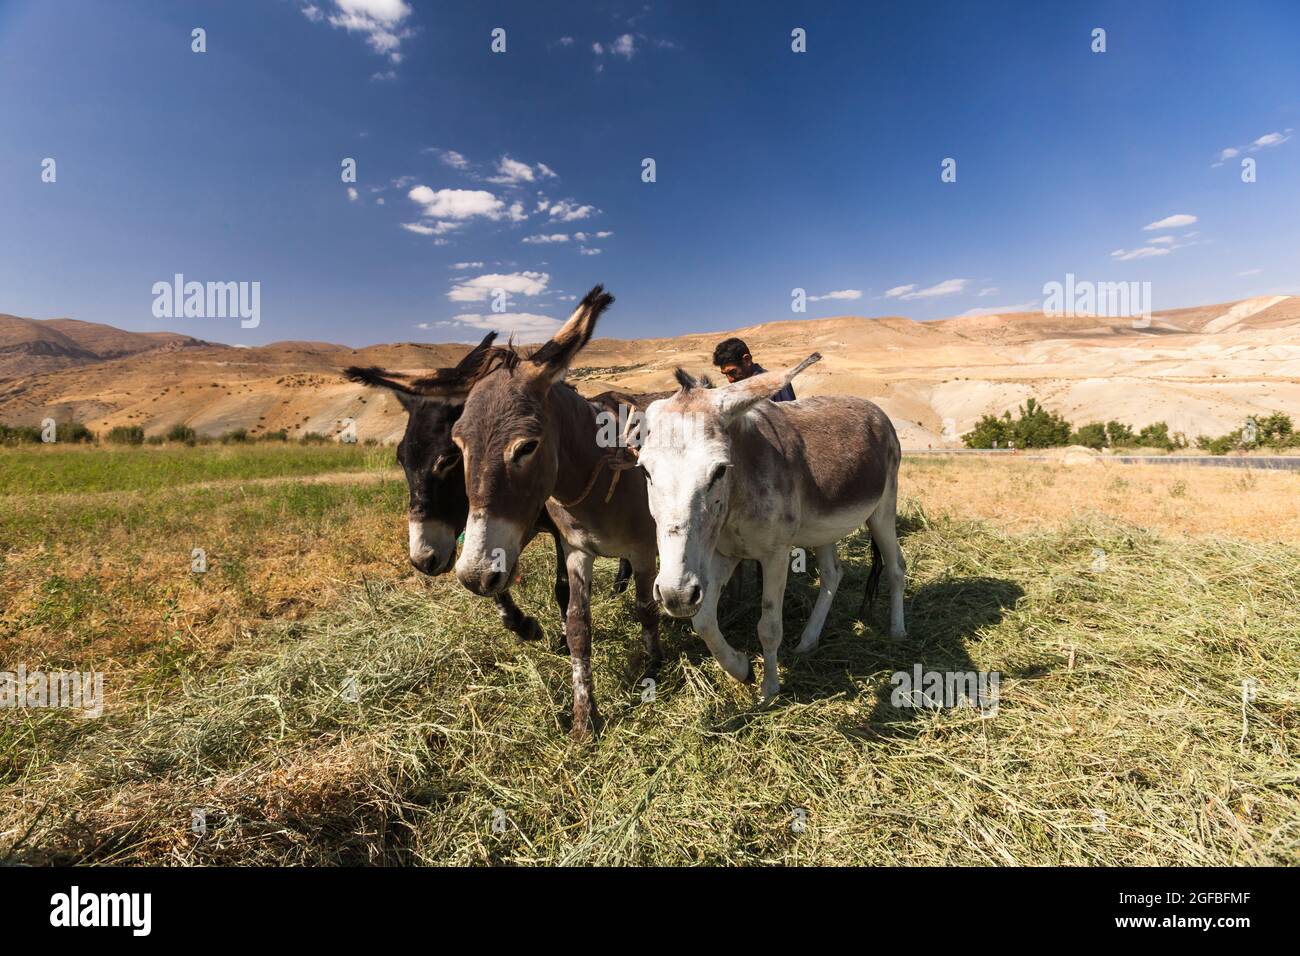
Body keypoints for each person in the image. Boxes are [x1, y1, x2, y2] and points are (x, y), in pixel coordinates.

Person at [712, 337, 797, 402]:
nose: (730, 380)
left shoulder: (778, 384)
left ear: (747, 360)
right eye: (725, 374)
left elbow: (789, 420)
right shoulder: (736, 391)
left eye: (732, 372)